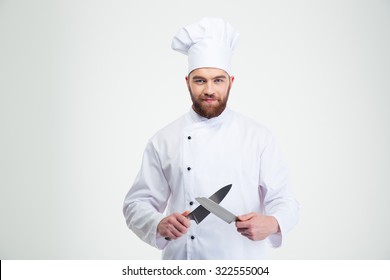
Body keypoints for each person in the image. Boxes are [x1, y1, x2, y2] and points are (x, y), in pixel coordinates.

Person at [123, 18, 299, 260]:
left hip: (243, 263)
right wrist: (158, 223)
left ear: (231, 83)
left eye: (218, 80)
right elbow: (136, 204)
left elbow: (285, 200)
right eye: (200, 80)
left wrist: (272, 222)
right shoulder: (164, 140)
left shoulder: (259, 137)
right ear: (187, 83)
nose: (209, 90)